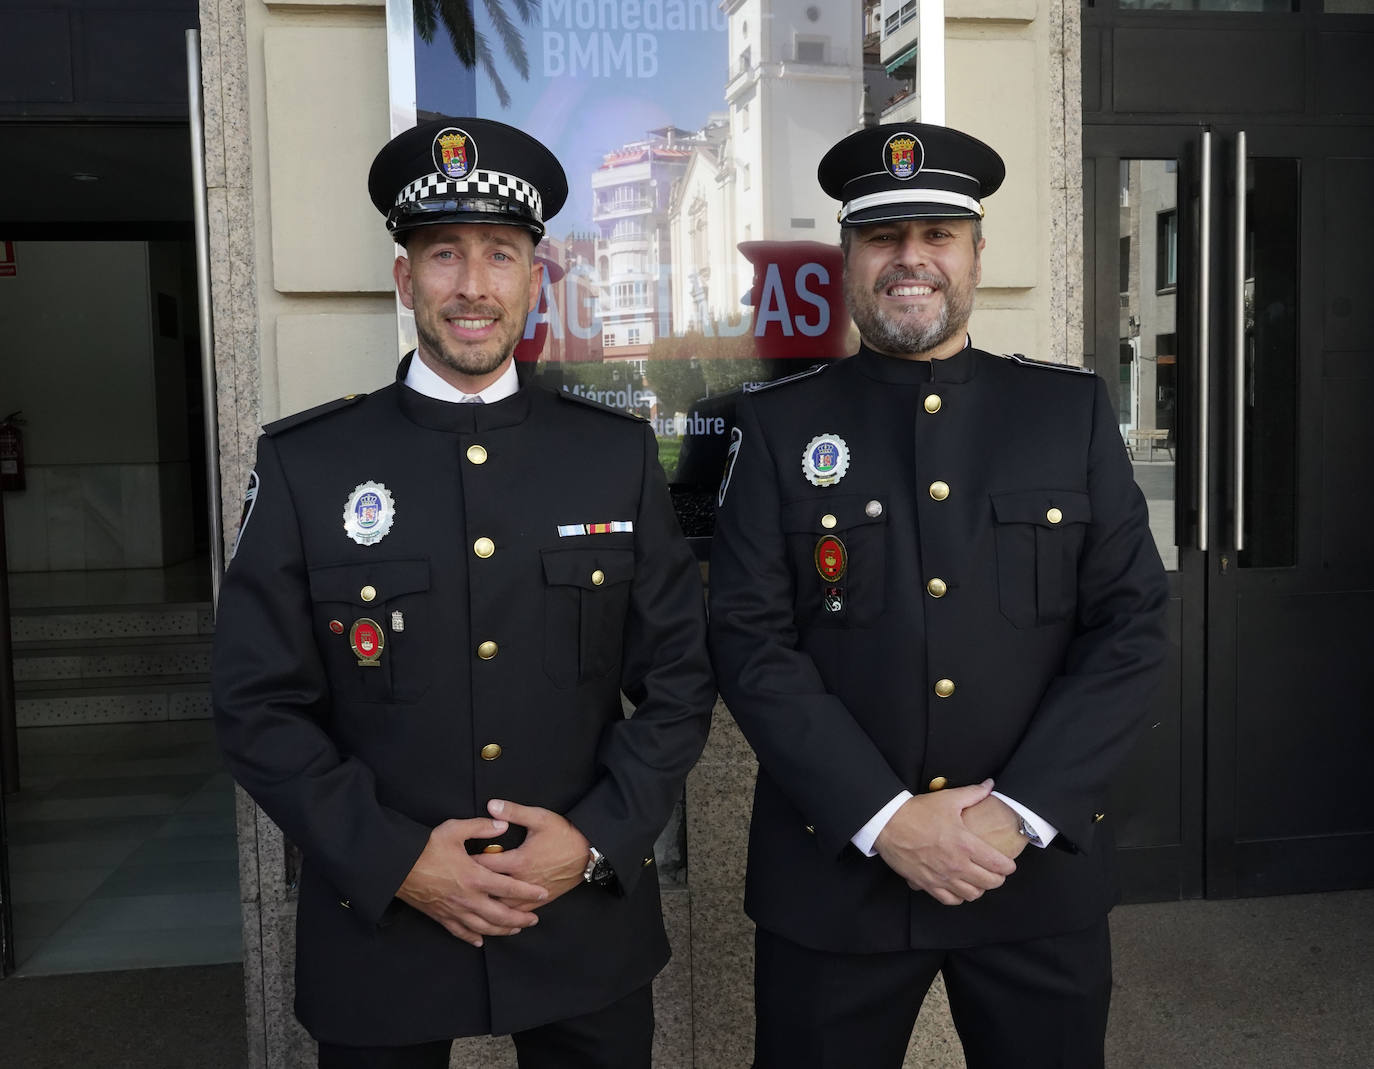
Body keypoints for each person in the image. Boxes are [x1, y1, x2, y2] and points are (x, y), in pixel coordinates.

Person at [212, 116, 715, 1069]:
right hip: (383, 928)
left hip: (579, 916)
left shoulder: (611, 457)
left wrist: (594, 839)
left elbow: (680, 679)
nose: (473, 286)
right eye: (444, 254)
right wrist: (395, 860)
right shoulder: (309, 465)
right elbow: (255, 703)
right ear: (406, 279)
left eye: (500, 254)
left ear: (536, 277)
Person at [707, 122, 1169, 1069]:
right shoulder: (780, 426)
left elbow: (1132, 628)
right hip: (837, 882)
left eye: (937, 235)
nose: (910, 259)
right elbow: (750, 642)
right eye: (883, 237)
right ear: (847, 259)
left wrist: (1017, 812)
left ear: (976, 255)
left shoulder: (1067, 413)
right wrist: (887, 818)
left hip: (1031, 874)